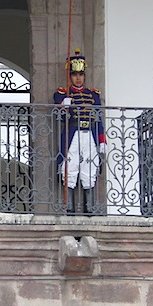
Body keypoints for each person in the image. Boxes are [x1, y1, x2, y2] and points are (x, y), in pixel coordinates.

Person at [53, 49, 107, 214]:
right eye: (75, 74)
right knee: (70, 165)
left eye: (81, 74)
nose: (78, 78)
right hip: (73, 132)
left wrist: (102, 139)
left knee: (90, 166)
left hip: (89, 132)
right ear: (70, 76)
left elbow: (98, 118)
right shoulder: (62, 94)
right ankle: (69, 206)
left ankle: (89, 206)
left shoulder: (93, 94)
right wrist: (64, 105)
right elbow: (60, 116)